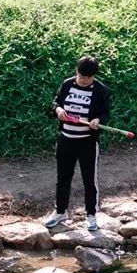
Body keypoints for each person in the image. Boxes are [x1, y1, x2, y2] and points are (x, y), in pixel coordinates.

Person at [44, 55, 111, 231]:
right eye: (81, 76)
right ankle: (60, 211)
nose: (83, 80)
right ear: (76, 71)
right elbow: (55, 103)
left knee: (89, 179)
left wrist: (97, 120)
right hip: (65, 139)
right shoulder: (67, 84)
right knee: (63, 178)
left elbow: (105, 113)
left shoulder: (101, 90)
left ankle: (91, 215)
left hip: (87, 142)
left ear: (94, 76)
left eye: (87, 78)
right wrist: (58, 110)